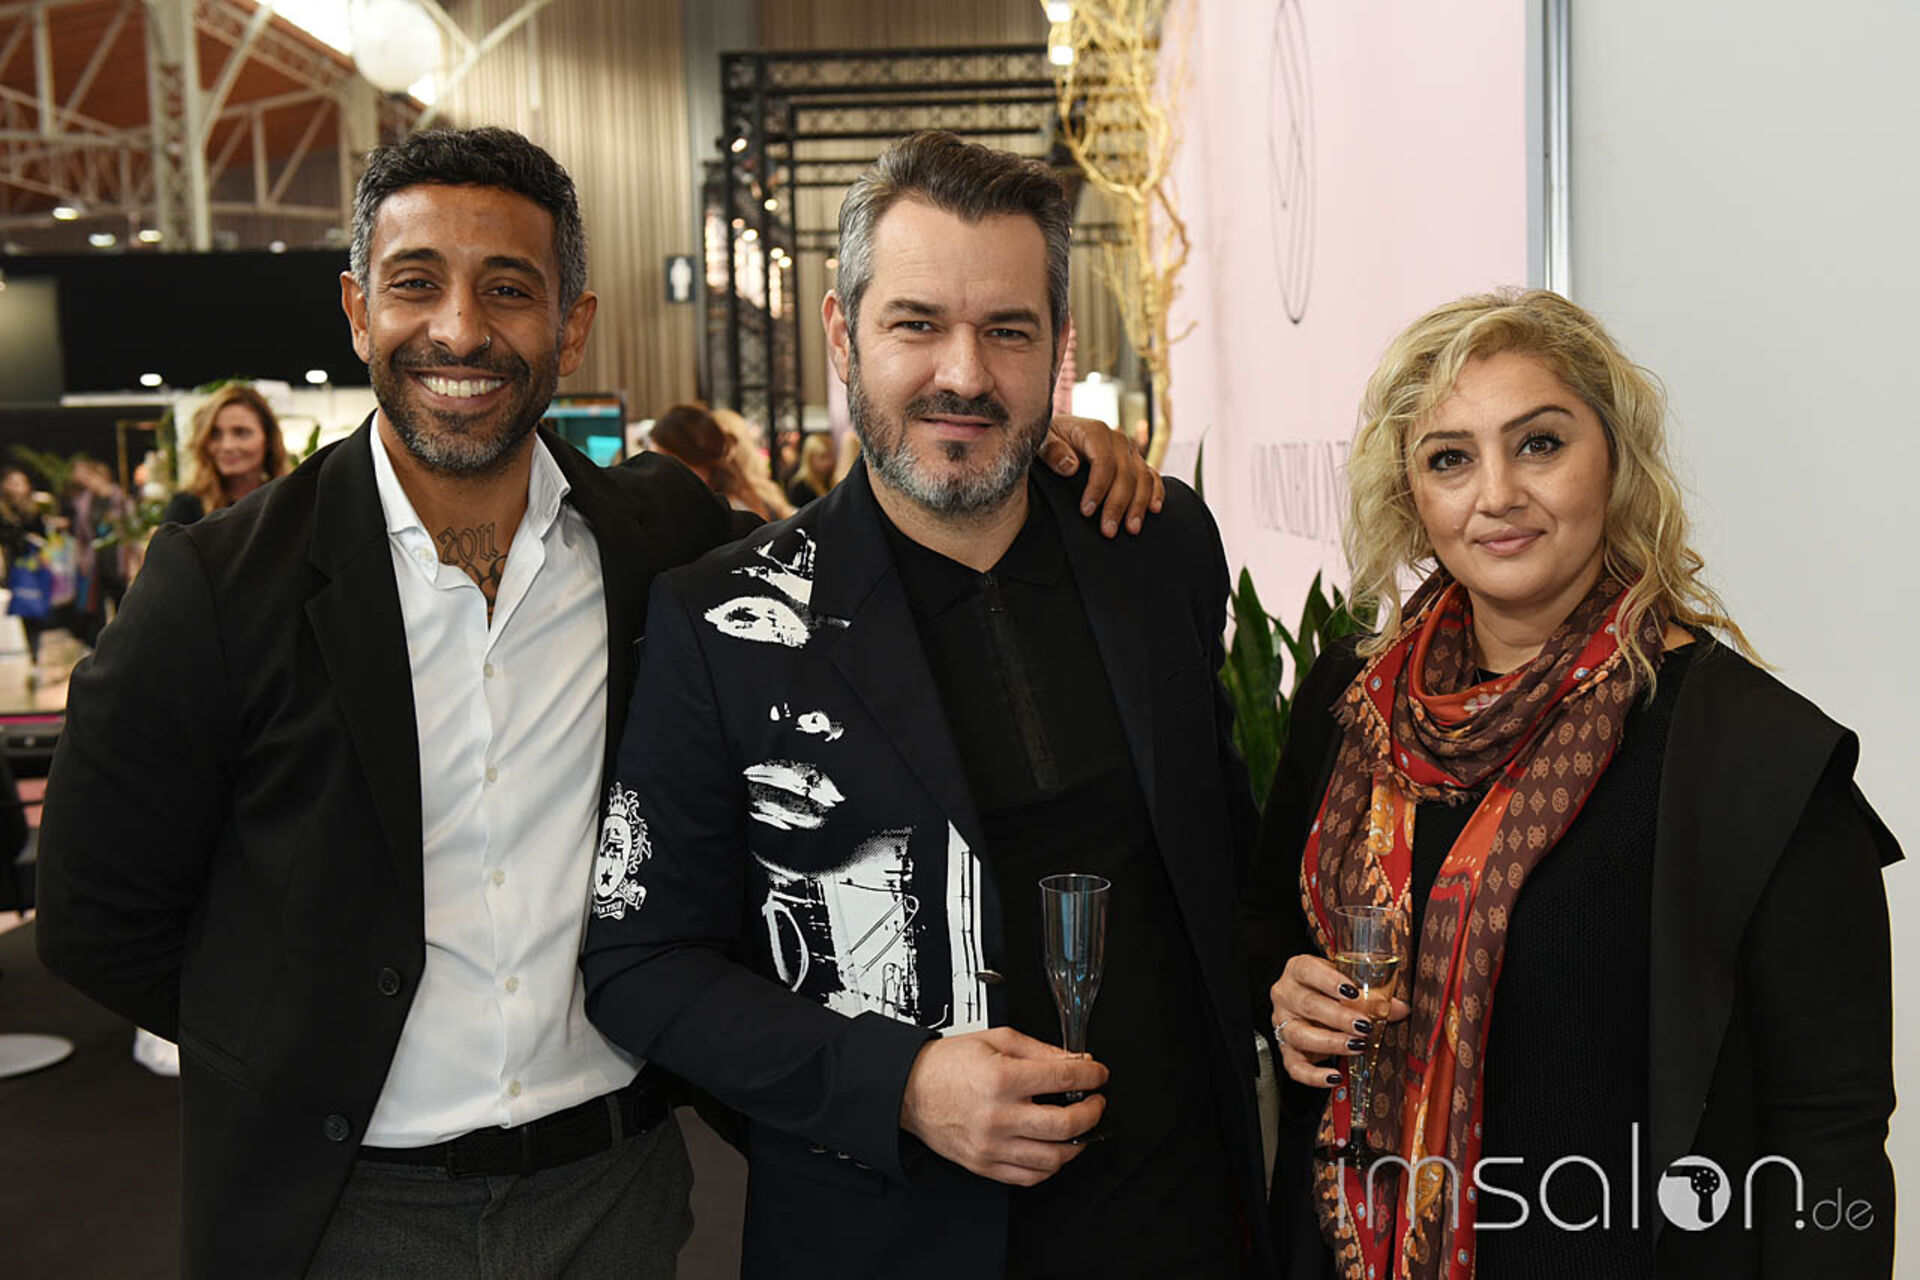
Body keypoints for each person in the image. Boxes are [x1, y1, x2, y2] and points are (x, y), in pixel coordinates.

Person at [33, 125, 1164, 1280]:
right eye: (415, 283)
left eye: (508, 288)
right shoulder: (220, 585)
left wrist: (1052, 447)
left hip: (614, 1192)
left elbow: (866, 546)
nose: (460, 329)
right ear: (358, 309)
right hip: (342, 1206)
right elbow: (91, 911)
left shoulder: (658, 539)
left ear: (570, 326)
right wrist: (289, 1044)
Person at [583, 131, 1271, 1279]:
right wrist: (898, 1084)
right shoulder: (729, 619)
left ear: (1059, 345)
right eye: (916, 324)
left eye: (1008, 329)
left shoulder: (1156, 548)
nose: (965, 373)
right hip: (886, 1234)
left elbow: (1224, 857)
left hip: (1177, 1222)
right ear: (842, 335)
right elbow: (640, 961)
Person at [1252, 289, 1900, 1278]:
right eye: (1450, 458)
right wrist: (1288, 994)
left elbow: (1830, 1130)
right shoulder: (1352, 702)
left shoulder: (1755, 758)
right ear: (1411, 495)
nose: (1497, 494)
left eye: (1539, 444)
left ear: (1616, 461)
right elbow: (1266, 933)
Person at [160, 382, 292, 525]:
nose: (227, 446)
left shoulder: (289, 499)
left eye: (241, 432)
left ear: (268, 439)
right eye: (215, 434)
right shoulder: (186, 507)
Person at [785, 430, 836, 508]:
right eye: (823, 457)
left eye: (831, 456)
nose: (829, 462)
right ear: (810, 458)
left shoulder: (829, 482)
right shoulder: (800, 487)